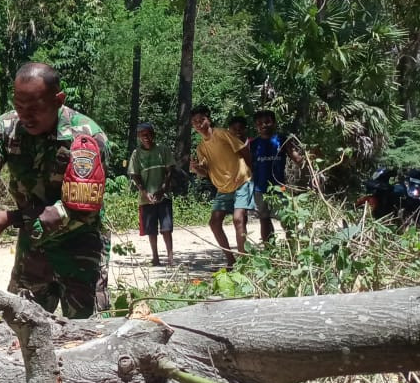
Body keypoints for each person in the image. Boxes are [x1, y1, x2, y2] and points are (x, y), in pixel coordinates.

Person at [0, 62, 110, 318]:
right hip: (33, 250)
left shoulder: (85, 138)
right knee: (17, 326)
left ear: (58, 99)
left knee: (88, 334)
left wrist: (15, 218)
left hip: (81, 249)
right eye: (19, 106)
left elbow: (79, 208)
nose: (25, 116)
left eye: (35, 108)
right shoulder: (4, 129)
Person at [189, 105, 254, 267]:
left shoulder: (223, 134)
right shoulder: (201, 148)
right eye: (195, 122)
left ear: (208, 120)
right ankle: (231, 260)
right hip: (223, 188)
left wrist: (251, 171)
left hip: (241, 181)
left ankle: (244, 263)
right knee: (214, 222)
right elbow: (206, 172)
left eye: (201, 120)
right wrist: (197, 168)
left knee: (239, 219)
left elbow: (244, 150)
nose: (198, 124)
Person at [249, 110, 306, 243]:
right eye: (260, 123)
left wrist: (309, 160)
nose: (264, 125)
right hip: (259, 189)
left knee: (287, 220)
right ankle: (270, 252)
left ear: (274, 123)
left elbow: (297, 159)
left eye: (267, 122)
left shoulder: (282, 140)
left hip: (280, 189)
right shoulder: (252, 144)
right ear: (256, 126)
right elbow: (247, 165)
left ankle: (293, 250)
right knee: (264, 220)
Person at [127, 122, 174, 267]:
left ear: (153, 135)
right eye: (143, 135)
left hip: (164, 197)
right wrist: (145, 192)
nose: (146, 137)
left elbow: (170, 171)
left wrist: (162, 190)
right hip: (146, 199)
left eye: (148, 134)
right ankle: (155, 257)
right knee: (151, 230)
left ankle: (170, 258)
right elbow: (135, 175)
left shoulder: (163, 150)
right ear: (139, 137)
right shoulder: (136, 154)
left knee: (166, 228)